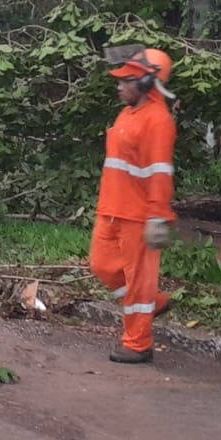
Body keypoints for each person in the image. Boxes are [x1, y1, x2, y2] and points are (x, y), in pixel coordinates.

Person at [89, 44, 177, 364]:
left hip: (138, 215)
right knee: (101, 264)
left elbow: (160, 172)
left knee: (138, 283)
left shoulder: (158, 121)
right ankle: (151, 303)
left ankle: (138, 344)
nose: (119, 86)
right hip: (111, 207)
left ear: (145, 83)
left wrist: (158, 216)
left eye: (126, 80)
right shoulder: (127, 113)